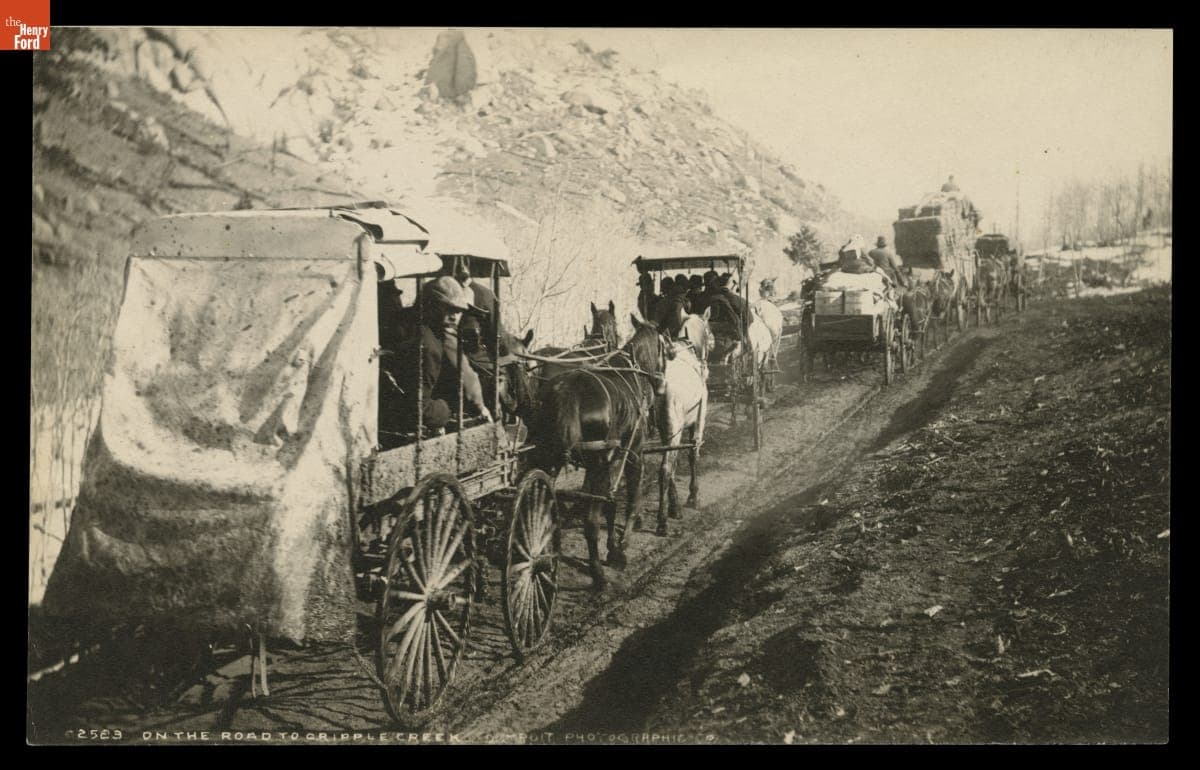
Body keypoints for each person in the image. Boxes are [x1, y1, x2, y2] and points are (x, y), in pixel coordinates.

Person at [385, 276, 492, 434]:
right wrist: (445, 412)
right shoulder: (429, 343)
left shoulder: (402, 321)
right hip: (400, 416)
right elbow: (419, 407)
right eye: (449, 309)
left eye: (459, 311)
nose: (455, 316)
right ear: (431, 306)